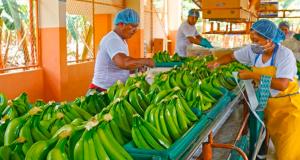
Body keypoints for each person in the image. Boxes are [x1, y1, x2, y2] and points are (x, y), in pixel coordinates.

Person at [208, 19, 300, 159]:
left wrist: (252, 75)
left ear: (269, 40)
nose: (254, 43)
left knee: (289, 153)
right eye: (252, 40)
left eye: (257, 40)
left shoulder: (284, 55)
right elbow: (232, 56)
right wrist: (216, 63)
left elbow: (282, 85)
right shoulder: (253, 51)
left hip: (288, 109)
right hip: (270, 108)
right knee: (278, 147)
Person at [88, 8, 155, 93]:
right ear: (121, 24)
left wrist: (136, 67)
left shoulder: (121, 40)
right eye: (132, 26)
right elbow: (123, 63)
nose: (135, 30)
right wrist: (146, 61)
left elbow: (120, 66)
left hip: (113, 90)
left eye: (136, 26)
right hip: (102, 91)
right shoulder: (112, 40)